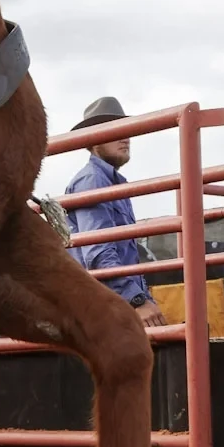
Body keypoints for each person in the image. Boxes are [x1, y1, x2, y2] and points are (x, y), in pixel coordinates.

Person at [64, 97, 169, 328]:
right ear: (94, 140)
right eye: (114, 130)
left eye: (126, 130)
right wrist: (138, 302)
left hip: (113, 302)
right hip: (102, 310)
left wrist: (144, 301)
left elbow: (120, 256)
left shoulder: (113, 183)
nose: (125, 137)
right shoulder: (92, 180)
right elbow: (99, 253)